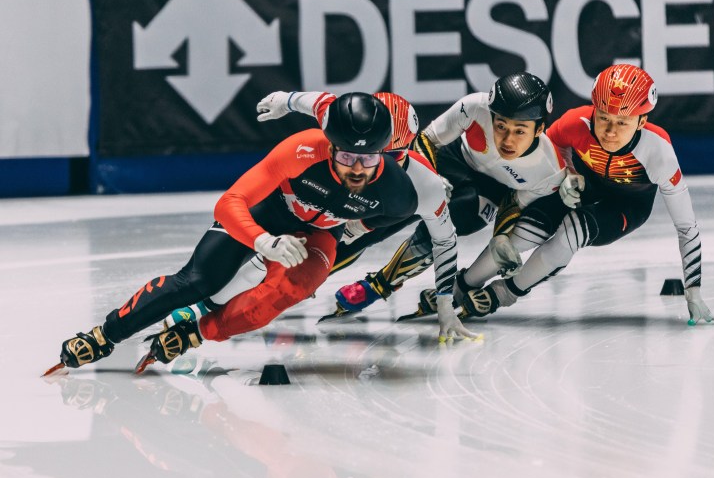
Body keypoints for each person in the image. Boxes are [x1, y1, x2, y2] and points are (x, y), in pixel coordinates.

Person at [47, 92, 420, 375]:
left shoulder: (400, 194)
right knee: (197, 281)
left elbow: (396, 218)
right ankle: (106, 334)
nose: (357, 169)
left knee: (290, 290)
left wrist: (355, 228)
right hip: (271, 212)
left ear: (388, 153)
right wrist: (263, 241)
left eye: (370, 159)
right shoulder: (302, 149)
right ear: (331, 145)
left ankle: (197, 331)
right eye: (346, 158)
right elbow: (231, 202)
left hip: (318, 234)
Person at [165, 90, 478, 341]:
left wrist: (445, 305)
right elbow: (317, 102)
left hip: (363, 217)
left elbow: (444, 240)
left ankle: (210, 310)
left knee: (313, 265)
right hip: (326, 203)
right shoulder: (344, 128)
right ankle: (204, 306)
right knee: (278, 249)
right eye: (363, 151)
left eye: (385, 155)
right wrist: (284, 100)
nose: (366, 163)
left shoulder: (421, 182)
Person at [458, 63, 714, 326]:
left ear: (642, 121)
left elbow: (686, 227)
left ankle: (503, 294)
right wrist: (566, 173)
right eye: (603, 118)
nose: (610, 132)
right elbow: (549, 153)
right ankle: (463, 284)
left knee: (571, 233)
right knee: (526, 231)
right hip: (580, 186)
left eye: (622, 122)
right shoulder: (575, 122)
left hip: (625, 206)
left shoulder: (658, 153)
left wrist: (693, 291)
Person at [333, 72, 567, 319]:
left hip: (489, 192)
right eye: (500, 126)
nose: (507, 140)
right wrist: (429, 177)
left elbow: (514, 203)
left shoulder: (550, 171)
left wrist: (501, 235)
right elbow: (427, 139)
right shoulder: (475, 107)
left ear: (540, 128)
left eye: (520, 131)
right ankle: (322, 261)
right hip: (452, 160)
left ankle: (379, 285)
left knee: (446, 227)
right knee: (390, 213)